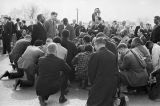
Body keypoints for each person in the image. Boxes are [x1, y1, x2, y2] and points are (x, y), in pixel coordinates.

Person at [86, 37, 118, 106]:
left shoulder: (95, 55)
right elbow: (115, 71)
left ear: (96, 44)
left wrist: (93, 83)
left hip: (98, 84)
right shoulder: (113, 55)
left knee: (94, 103)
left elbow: (91, 72)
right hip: (110, 85)